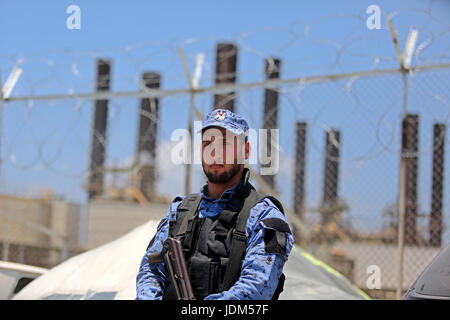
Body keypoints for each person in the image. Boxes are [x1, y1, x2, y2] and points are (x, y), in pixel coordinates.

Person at [136, 108, 294, 300]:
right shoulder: (180, 212)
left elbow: (255, 289)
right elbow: (150, 271)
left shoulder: (264, 217)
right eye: (207, 144)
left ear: (245, 151)